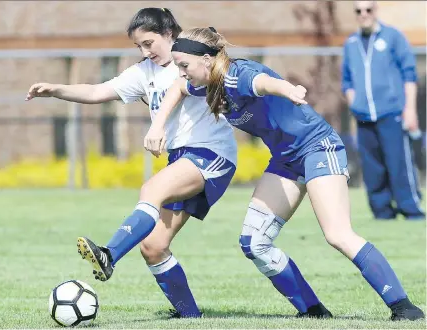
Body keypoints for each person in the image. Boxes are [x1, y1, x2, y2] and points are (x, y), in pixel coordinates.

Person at [144, 27, 425, 321]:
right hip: (286, 160)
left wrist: (287, 89)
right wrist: (156, 126)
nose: (181, 72)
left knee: (337, 234)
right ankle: (313, 311)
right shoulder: (208, 83)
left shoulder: (234, 75)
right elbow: (177, 89)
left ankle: (404, 307)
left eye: (184, 65)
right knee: (254, 242)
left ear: (206, 59)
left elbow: (263, 82)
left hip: (317, 148)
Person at [25, 8, 238, 319]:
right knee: (153, 246)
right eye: (139, 46)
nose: (145, 51)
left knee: (151, 188)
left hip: (210, 153)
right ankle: (190, 317)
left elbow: (209, 80)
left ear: (170, 35)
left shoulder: (189, 60)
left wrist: (157, 126)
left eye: (149, 43)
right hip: (181, 159)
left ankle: (109, 254)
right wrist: (56, 90)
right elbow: (98, 91)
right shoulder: (144, 73)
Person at [341, 1, 424, 220]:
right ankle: (382, 211)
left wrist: (410, 109)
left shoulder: (393, 37)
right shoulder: (351, 43)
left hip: (391, 113)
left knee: (398, 163)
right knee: (372, 168)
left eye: (368, 10)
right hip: (364, 117)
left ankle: (411, 209)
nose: (363, 15)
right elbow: (347, 81)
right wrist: (354, 104)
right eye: (359, 11)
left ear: (375, 11)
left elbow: (409, 76)